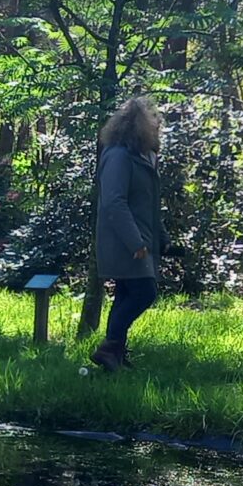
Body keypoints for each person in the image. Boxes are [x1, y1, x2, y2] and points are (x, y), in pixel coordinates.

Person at [90, 94, 165, 372]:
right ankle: (109, 348)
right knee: (144, 292)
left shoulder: (141, 158)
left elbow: (148, 205)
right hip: (124, 241)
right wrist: (136, 242)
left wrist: (162, 237)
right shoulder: (119, 156)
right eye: (154, 125)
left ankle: (115, 356)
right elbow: (114, 202)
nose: (157, 130)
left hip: (139, 238)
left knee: (125, 294)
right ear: (140, 127)